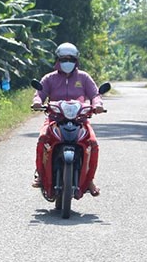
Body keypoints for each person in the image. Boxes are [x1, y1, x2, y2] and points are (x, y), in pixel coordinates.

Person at [31, 42, 105, 196]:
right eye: (64, 59)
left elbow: (95, 94)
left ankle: (89, 180)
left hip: (80, 120)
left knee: (93, 143)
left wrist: (97, 105)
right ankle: (40, 174)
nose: (67, 62)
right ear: (58, 60)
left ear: (76, 60)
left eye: (71, 59)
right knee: (42, 139)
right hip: (54, 119)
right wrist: (38, 102)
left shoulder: (84, 77)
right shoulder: (49, 78)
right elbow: (40, 93)